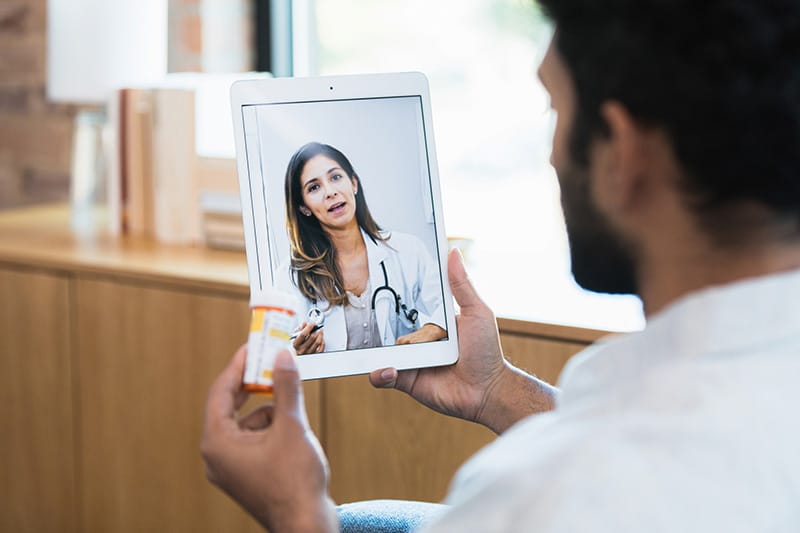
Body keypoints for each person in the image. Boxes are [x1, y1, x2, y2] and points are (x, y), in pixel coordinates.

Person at [200, 0, 800, 531]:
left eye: (554, 112)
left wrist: (294, 514)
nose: (552, 157)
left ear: (622, 152)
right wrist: (496, 392)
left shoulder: (532, 496)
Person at [275, 141, 447, 354]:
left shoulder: (408, 250)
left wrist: (434, 328)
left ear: (353, 184)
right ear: (304, 208)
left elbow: (449, 308)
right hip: (333, 387)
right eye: (314, 187)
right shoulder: (291, 275)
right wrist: (298, 353)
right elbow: (277, 352)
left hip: (400, 384)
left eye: (335, 177)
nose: (330, 192)